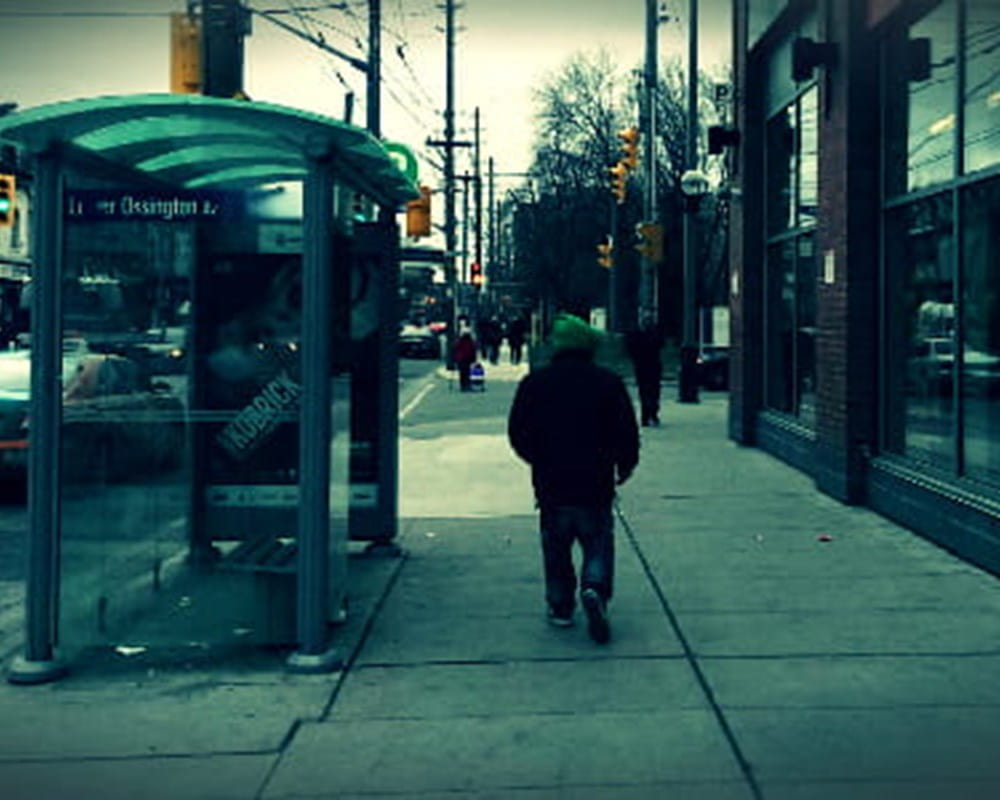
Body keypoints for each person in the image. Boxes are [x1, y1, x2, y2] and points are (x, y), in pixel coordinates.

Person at [507, 313, 640, 643]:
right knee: (597, 541)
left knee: (556, 547)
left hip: (552, 482)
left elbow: (518, 431)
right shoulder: (608, 383)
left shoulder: (536, 383)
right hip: (594, 480)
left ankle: (561, 607)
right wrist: (625, 464)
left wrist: (536, 458)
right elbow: (626, 430)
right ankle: (594, 587)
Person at [624, 317, 665, 427]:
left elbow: (629, 347)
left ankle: (647, 415)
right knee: (653, 391)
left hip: (642, 366)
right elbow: (661, 344)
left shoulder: (636, 335)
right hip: (651, 365)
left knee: (645, 391)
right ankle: (651, 413)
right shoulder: (654, 334)